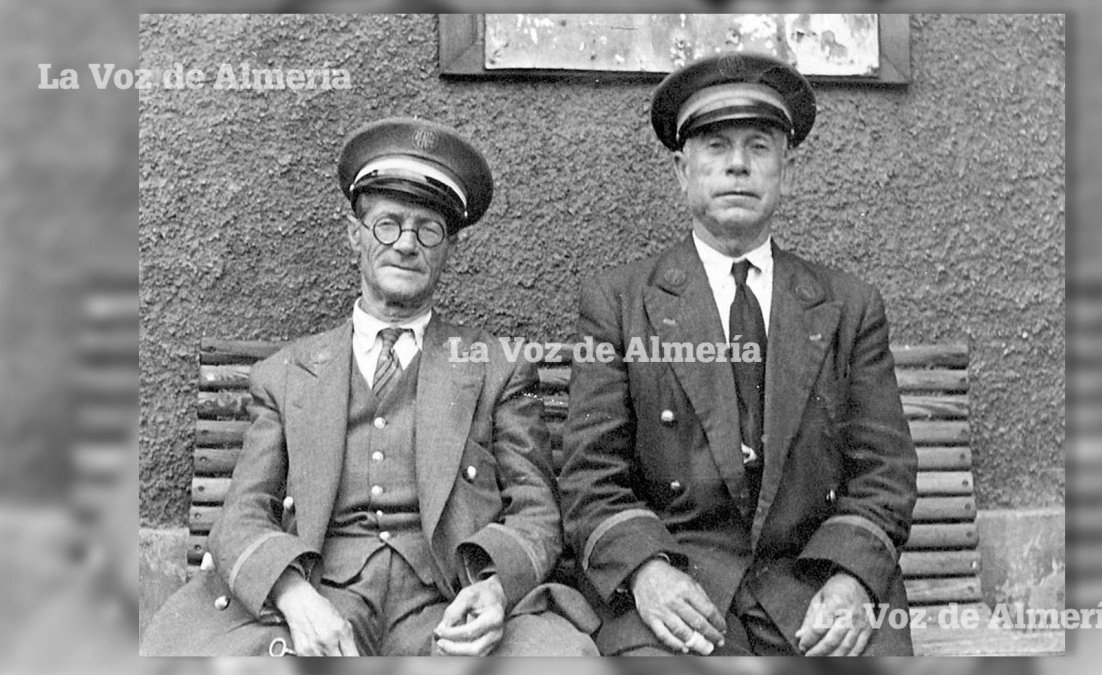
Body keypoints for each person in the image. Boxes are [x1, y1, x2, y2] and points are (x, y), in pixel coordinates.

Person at [142, 117, 598, 656]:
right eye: (388, 224)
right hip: (321, 593)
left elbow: (537, 510)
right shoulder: (287, 374)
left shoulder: (493, 367)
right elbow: (243, 511)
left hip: (449, 600)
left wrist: (496, 591)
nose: (407, 244)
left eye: (428, 229)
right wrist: (292, 596)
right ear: (353, 236)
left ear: (447, 248)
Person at [558, 53, 918, 656]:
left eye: (758, 146)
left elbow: (883, 467)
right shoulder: (619, 303)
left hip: (813, 581)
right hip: (680, 585)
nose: (736, 165)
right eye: (716, 146)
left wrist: (854, 577)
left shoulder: (849, 306)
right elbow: (592, 476)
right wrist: (647, 573)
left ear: (788, 168)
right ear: (682, 170)